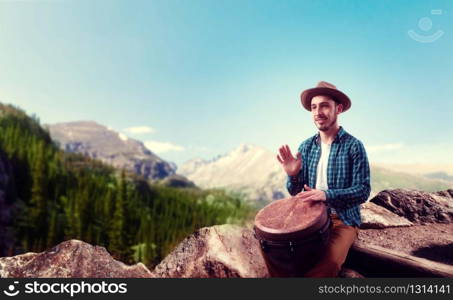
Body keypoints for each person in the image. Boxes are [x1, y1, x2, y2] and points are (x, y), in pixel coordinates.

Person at [276, 81, 371, 277]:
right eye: (314, 107)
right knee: (279, 253)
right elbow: (295, 191)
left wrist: (326, 195)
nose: (318, 112)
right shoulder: (306, 146)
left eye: (325, 106)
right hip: (309, 218)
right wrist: (293, 175)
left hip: (343, 219)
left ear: (339, 109)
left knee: (329, 261)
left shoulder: (354, 146)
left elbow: (363, 190)